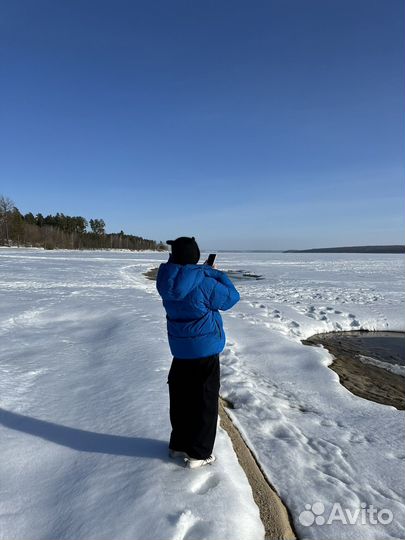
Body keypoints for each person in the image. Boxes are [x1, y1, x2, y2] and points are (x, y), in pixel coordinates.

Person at [156, 236, 240, 469]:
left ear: (173, 256)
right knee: (204, 402)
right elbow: (232, 298)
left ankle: (179, 444)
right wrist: (214, 273)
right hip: (204, 350)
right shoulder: (204, 281)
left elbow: (185, 281)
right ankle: (199, 453)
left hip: (180, 349)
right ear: (195, 257)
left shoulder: (165, 280)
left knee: (181, 398)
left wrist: (200, 271)